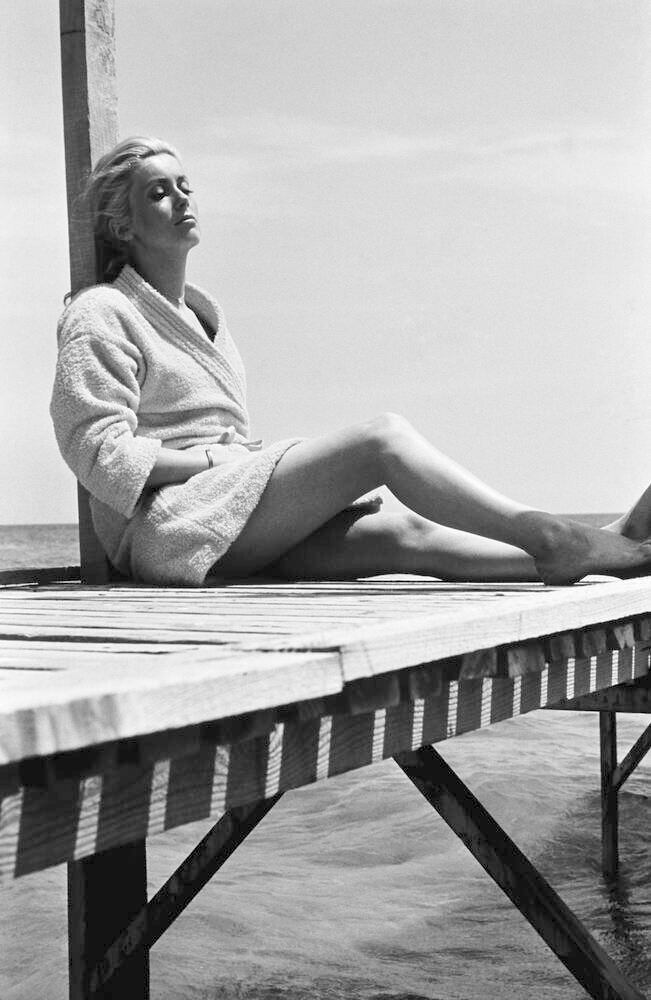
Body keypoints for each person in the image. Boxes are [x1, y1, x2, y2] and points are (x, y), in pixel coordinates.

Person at [50, 135, 651, 587]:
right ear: (121, 225)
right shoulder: (102, 312)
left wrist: (234, 464)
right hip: (170, 526)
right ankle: (551, 534)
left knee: (401, 533)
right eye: (158, 192)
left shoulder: (203, 313)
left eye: (185, 185)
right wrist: (216, 460)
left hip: (226, 512)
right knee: (381, 441)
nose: (181, 198)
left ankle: (602, 552)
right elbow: (99, 455)